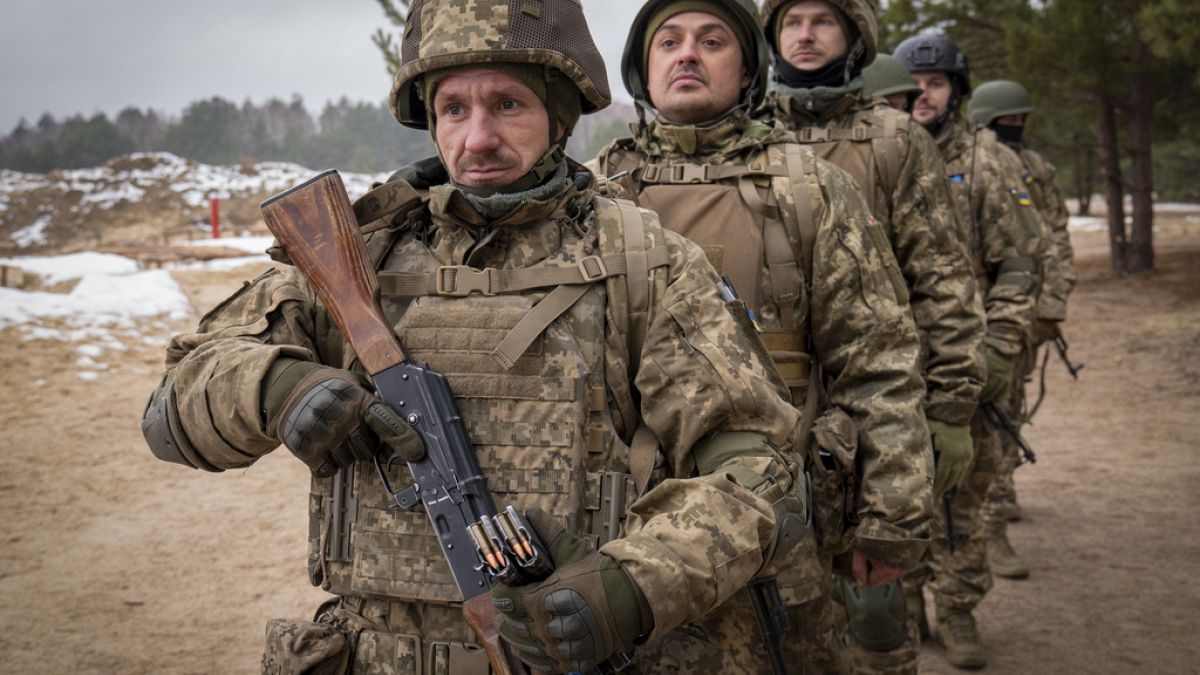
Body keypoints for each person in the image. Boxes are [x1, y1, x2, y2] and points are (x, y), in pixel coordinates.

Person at [140, 1, 813, 673]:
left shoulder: (644, 263)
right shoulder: (358, 261)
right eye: (454, 110)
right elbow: (170, 411)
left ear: (559, 115)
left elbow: (763, 479)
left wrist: (630, 586)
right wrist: (274, 388)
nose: (479, 137)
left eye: (508, 104)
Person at [756, 1, 987, 672]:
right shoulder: (744, 135)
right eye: (791, 20)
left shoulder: (893, 140)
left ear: (854, 36)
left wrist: (948, 410)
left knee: (877, 612)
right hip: (771, 413)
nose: (804, 35)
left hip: (872, 408)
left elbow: (943, 279)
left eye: (822, 21)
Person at [896, 34, 1043, 670]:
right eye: (913, 84)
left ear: (955, 91)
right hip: (896, 366)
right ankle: (904, 611)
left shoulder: (989, 162)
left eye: (935, 83)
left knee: (969, 495)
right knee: (897, 498)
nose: (922, 95)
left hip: (974, 359)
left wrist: (1003, 349)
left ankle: (957, 607)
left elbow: (1019, 266)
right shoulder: (881, 153)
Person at [968, 78, 1077, 580]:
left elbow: (1054, 238)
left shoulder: (1035, 169)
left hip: (1018, 314)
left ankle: (993, 521)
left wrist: (1049, 309)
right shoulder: (964, 162)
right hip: (967, 317)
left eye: (1019, 121)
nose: (1014, 128)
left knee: (1006, 412)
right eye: (1004, 121)